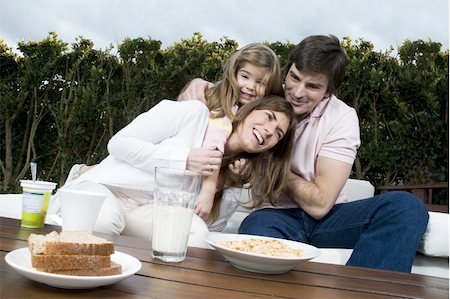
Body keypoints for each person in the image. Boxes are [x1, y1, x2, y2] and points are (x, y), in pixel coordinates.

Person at [177, 35, 429, 273]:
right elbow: (224, 95)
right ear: (287, 71)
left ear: (329, 91)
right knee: (255, 229)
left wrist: (269, 164)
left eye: (312, 86)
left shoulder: (341, 118)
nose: (297, 92)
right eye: (294, 77)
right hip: (274, 215)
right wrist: (196, 85)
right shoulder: (269, 96)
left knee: (406, 207)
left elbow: (320, 204)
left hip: (332, 219)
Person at [48, 96, 297, 240]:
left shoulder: (238, 172)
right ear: (249, 110)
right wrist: (184, 159)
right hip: (108, 188)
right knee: (106, 220)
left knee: (194, 234)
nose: (268, 130)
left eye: (277, 133)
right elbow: (119, 143)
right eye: (268, 117)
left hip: (142, 211)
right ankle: (78, 180)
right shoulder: (195, 114)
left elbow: (212, 228)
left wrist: (226, 185)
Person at [181, 43, 283, 223]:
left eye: (260, 83)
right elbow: (214, 145)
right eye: (245, 76)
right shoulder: (224, 102)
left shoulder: (253, 117)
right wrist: (208, 191)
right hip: (188, 172)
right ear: (233, 73)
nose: (250, 86)